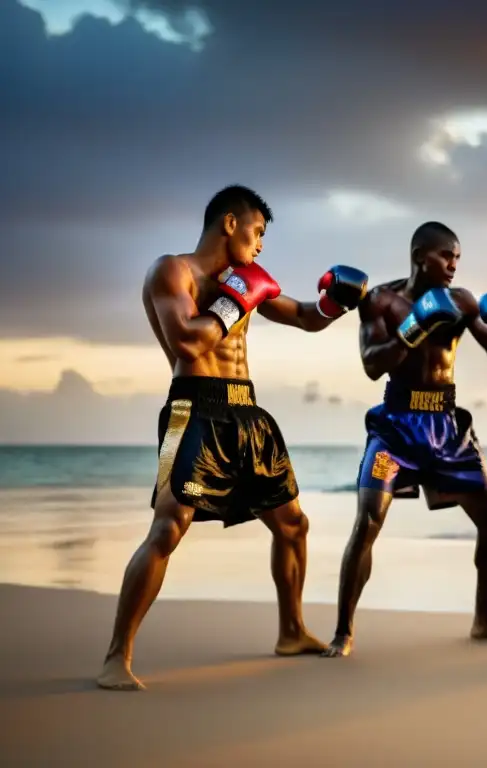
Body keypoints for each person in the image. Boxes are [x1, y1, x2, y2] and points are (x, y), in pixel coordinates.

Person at [97, 185, 370, 690]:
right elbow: (185, 340)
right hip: (194, 409)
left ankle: (292, 631)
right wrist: (235, 299)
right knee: (167, 528)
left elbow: (306, 317)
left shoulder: (242, 280)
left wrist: (337, 302)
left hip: (248, 414)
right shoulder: (172, 271)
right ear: (230, 223)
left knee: (293, 524)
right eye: (258, 231)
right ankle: (118, 657)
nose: (261, 244)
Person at [323, 221, 487, 657]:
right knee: (368, 521)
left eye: (458, 258)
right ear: (420, 256)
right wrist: (415, 325)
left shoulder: (462, 301)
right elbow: (373, 364)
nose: (454, 265)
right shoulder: (380, 300)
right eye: (446, 256)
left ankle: (484, 620)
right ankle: (343, 632)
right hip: (395, 427)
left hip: (448, 428)